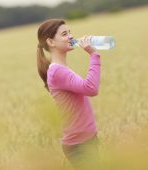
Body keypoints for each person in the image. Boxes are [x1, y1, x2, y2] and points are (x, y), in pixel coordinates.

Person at [36, 19, 101, 170]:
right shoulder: (57, 71)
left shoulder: (61, 68)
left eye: (70, 32)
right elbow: (91, 88)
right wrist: (94, 54)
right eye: (65, 34)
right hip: (80, 146)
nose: (71, 36)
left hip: (87, 141)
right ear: (51, 42)